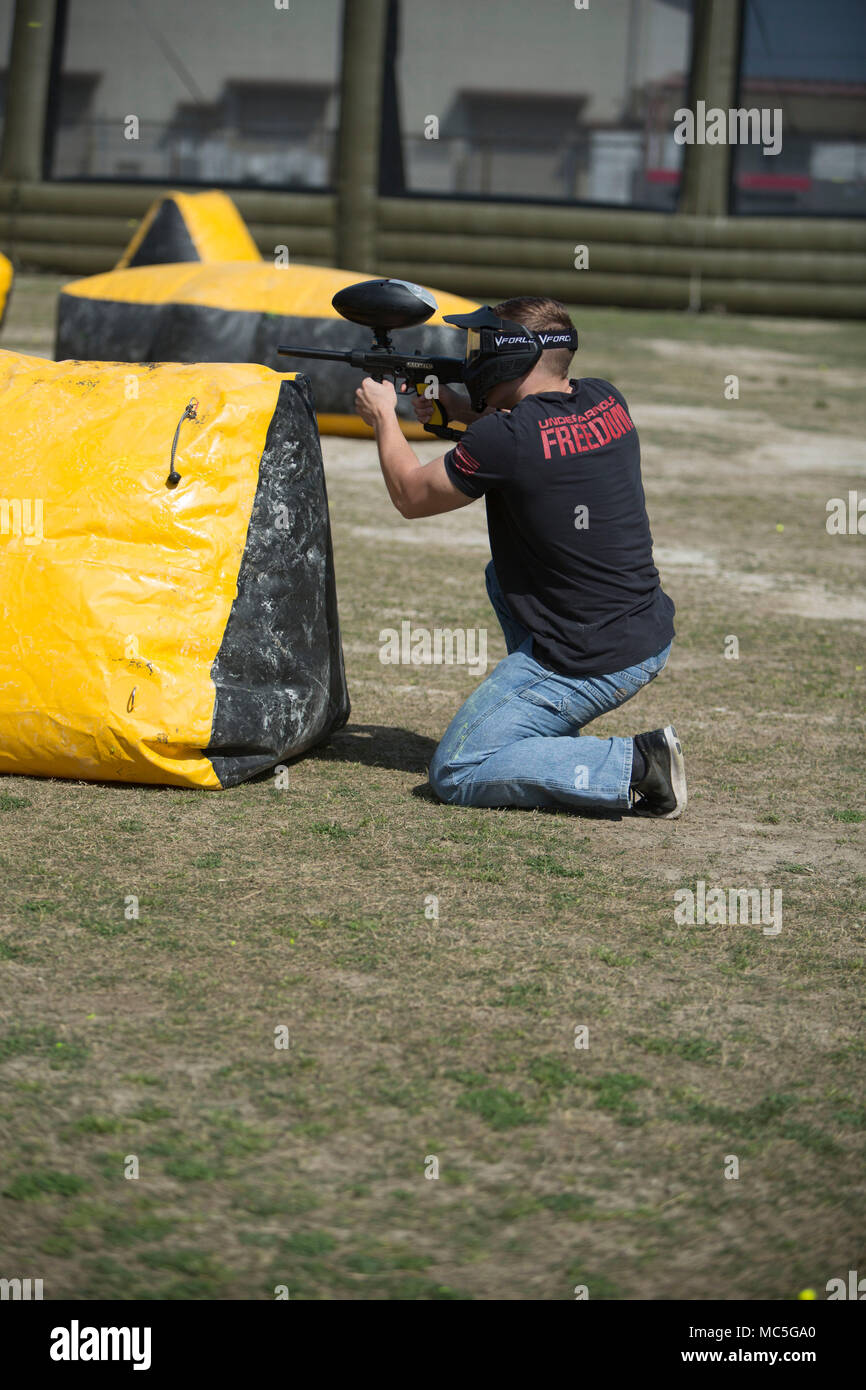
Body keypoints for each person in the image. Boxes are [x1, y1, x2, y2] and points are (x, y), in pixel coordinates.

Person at [353, 295, 686, 818]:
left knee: (457, 770)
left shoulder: (504, 437)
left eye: (483, 347)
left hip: (587, 659)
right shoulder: (605, 399)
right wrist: (462, 414)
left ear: (511, 357)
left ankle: (637, 763)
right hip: (642, 631)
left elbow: (411, 497)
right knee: (500, 574)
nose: (473, 358)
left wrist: (382, 417)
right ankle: (550, 732)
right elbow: (534, 441)